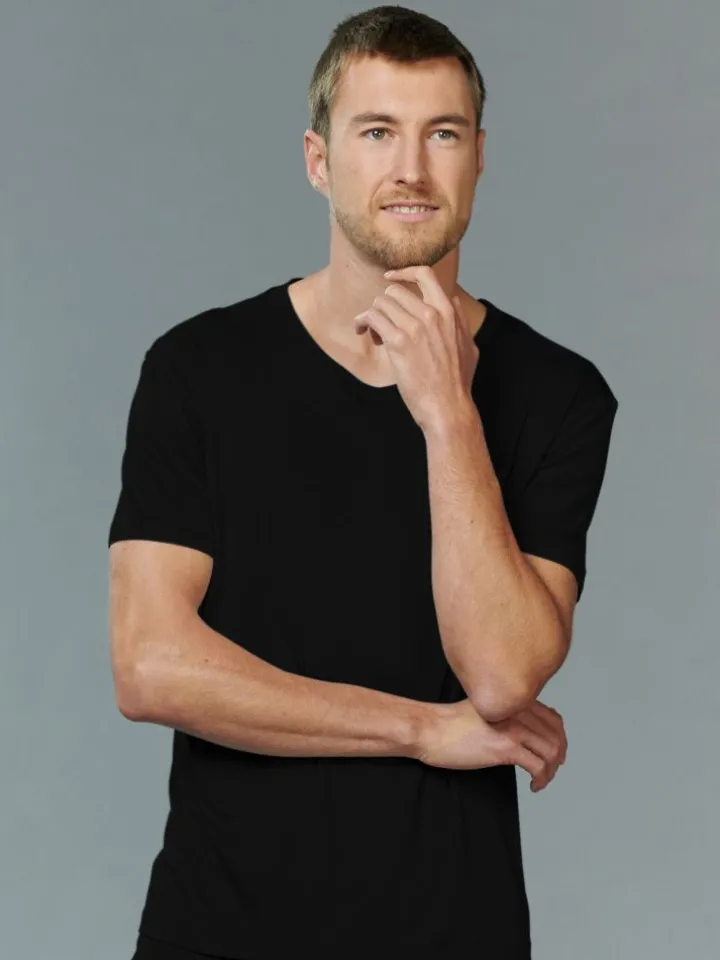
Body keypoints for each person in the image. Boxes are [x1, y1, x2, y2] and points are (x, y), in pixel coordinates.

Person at [108, 6, 619, 959]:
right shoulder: (199, 370)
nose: (412, 170)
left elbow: (502, 674)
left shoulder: (559, 394)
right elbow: (149, 665)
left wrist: (447, 411)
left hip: (450, 931)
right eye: (377, 132)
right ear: (319, 159)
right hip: (219, 931)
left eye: (443, 134)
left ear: (478, 159)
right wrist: (419, 730)